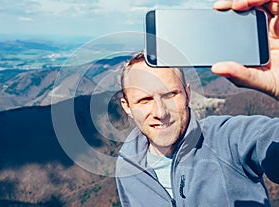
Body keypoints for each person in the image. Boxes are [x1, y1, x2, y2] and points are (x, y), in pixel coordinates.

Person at [115, 0, 279, 206]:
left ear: (187, 94)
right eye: (145, 100)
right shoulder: (128, 164)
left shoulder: (228, 139)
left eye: (170, 95)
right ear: (127, 106)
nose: (160, 112)